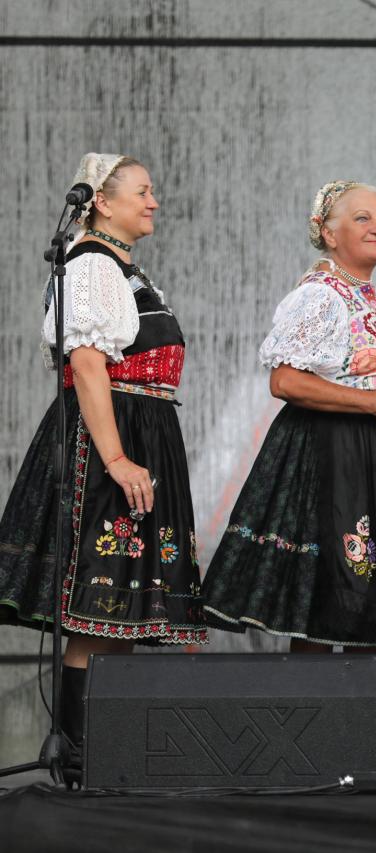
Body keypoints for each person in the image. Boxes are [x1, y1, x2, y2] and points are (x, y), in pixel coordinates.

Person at [0, 153, 208, 756]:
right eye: (142, 191)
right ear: (102, 202)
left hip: (142, 431)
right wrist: (115, 458)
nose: (153, 201)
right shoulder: (91, 264)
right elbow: (88, 364)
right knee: (100, 600)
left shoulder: (122, 267)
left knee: (122, 609)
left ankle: (104, 754)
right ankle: (75, 750)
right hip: (110, 438)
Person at [201, 181, 376, 668]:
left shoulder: (374, 296)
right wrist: (372, 402)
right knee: (326, 595)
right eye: (362, 218)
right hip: (334, 450)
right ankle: (315, 712)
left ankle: (371, 713)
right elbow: (285, 381)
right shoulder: (320, 295)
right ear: (329, 233)